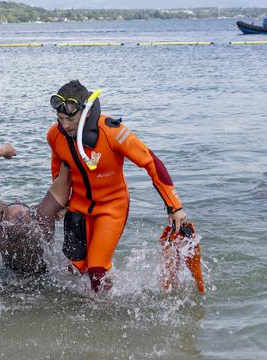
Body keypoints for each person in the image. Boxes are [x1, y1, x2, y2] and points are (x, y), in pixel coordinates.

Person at [47, 80, 188, 293]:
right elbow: (58, 165)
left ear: (86, 113)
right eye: (60, 119)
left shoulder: (112, 132)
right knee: (75, 269)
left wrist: (174, 206)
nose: (65, 125)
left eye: (70, 118)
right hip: (78, 207)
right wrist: (61, 202)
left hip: (112, 207)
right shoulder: (55, 136)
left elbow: (151, 162)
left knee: (96, 269)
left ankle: (105, 314)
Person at [0, 144, 70, 273]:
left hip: (10, 272)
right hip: (43, 273)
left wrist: (0, 152)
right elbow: (68, 171)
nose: (17, 201)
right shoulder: (43, 218)